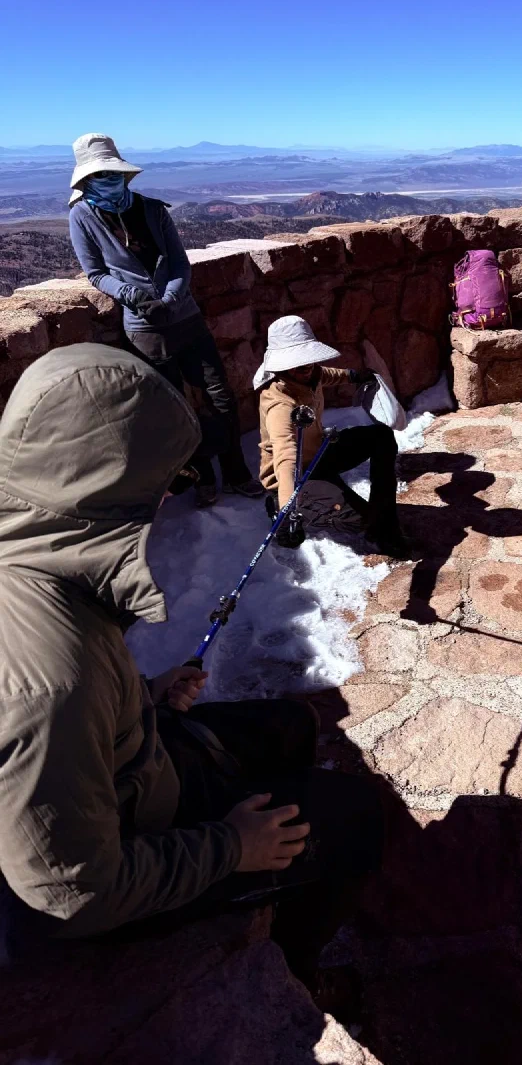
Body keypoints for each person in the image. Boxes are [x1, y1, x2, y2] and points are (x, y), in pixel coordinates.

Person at [0, 344, 383, 998]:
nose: (163, 504)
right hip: (131, 850)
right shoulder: (49, 680)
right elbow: (76, 892)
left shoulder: (37, 547)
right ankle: (293, 967)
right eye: (157, 485)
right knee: (361, 818)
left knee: (292, 722)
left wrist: (145, 696)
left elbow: (82, 712)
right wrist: (233, 847)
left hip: (136, 765)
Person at [67, 132, 262, 508]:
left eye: (113, 172)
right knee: (174, 405)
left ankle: (236, 471)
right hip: (144, 329)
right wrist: (132, 295)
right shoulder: (82, 216)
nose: (109, 180)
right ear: (87, 179)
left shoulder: (152, 209)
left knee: (219, 396)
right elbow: (94, 273)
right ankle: (203, 475)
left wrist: (171, 298)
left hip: (185, 318)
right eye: (101, 174)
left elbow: (178, 262)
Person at [255, 315, 410, 558]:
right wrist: (287, 512)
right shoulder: (279, 405)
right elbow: (285, 457)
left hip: (320, 455)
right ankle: (279, 505)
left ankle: (385, 525)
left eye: (308, 361)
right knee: (359, 519)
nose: (306, 368)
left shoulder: (309, 374)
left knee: (381, 436)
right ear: (282, 366)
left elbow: (324, 374)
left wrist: (352, 376)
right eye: (298, 364)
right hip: (294, 478)